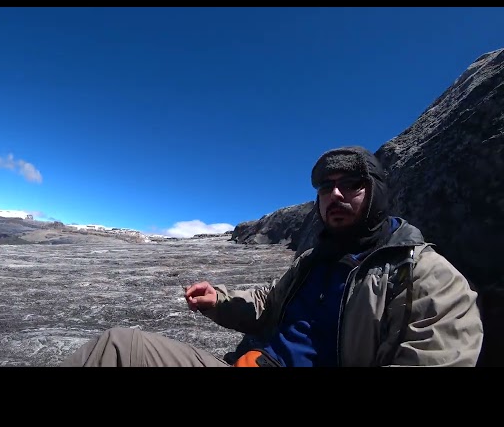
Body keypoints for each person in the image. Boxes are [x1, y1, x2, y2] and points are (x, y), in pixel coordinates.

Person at [60, 146, 484, 367]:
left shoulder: (426, 276)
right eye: (324, 186)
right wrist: (220, 299)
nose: (334, 193)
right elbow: (269, 303)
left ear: (376, 192)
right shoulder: (312, 261)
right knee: (118, 347)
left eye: (351, 183)